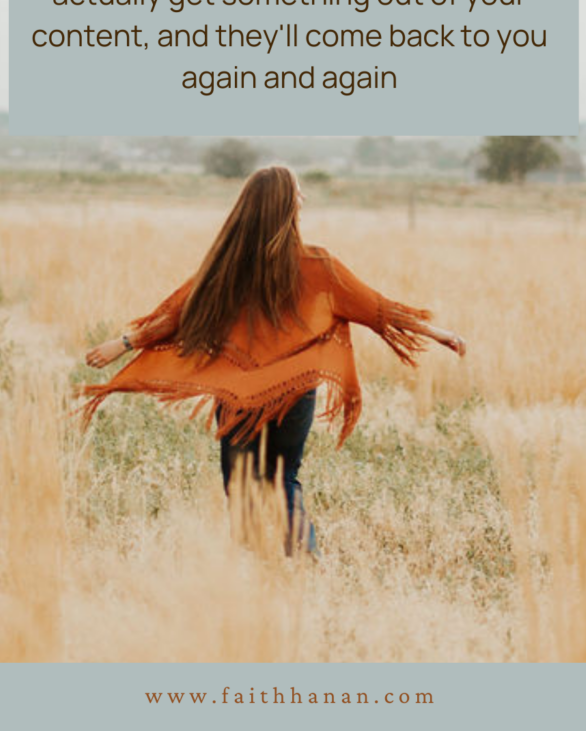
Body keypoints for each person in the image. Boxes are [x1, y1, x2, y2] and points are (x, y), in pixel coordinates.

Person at [82, 166, 466, 556]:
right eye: (298, 193)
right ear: (285, 205)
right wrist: (438, 334)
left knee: (241, 483)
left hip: (239, 394)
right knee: (284, 478)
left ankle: (250, 566)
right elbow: (379, 310)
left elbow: (179, 314)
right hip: (294, 392)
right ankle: (302, 560)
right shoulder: (319, 265)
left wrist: (125, 342)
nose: (303, 200)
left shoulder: (229, 264)